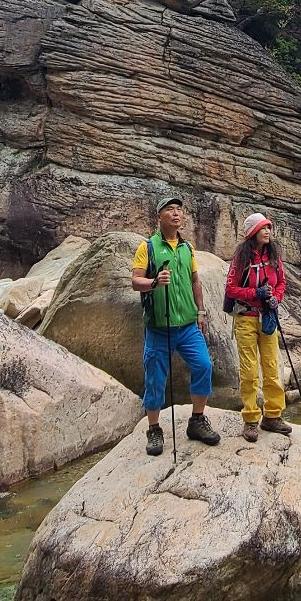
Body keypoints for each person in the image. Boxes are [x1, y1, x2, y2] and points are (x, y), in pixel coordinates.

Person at [131, 195, 221, 457]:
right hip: (159, 327)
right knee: (155, 379)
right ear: (159, 216)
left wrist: (201, 311)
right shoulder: (148, 247)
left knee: (203, 365)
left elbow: (195, 281)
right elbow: (135, 281)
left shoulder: (187, 248)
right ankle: (154, 429)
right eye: (169, 209)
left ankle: (197, 420)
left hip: (188, 325)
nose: (176, 213)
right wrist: (154, 282)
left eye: (179, 210)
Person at [224, 212, 292, 443]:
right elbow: (231, 289)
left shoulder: (273, 255)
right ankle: (251, 418)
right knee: (249, 370)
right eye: (263, 228)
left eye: (269, 227)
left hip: (267, 317)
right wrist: (256, 293)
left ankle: (272, 416)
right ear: (252, 232)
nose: (267, 231)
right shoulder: (242, 257)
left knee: (272, 366)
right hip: (246, 317)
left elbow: (281, 282)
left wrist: (276, 299)